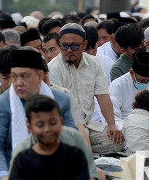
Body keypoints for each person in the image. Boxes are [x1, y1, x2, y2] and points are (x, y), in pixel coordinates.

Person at [0, 49, 78, 180]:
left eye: (24, 76)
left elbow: (73, 141)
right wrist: (3, 176)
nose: (18, 83)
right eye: (14, 77)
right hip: (13, 173)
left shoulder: (60, 101)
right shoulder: (1, 104)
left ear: (40, 76)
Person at [48, 24, 123, 152]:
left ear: (84, 44)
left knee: (117, 142)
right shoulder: (53, 68)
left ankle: (81, 149)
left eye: (74, 46)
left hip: (88, 125)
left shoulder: (94, 63)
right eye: (64, 46)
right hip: (65, 127)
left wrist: (111, 125)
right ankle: (81, 149)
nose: (69, 50)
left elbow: (103, 96)